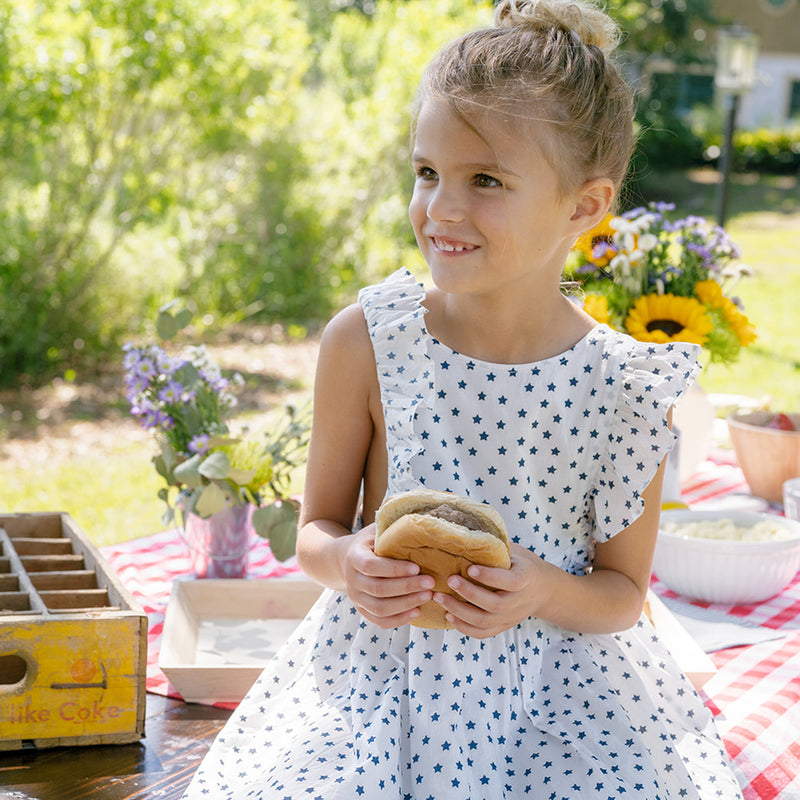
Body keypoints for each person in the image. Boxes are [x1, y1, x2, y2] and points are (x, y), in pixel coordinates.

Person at [182, 1, 744, 797]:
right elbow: (315, 533)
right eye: (426, 173)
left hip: (559, 698)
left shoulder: (627, 387)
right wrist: (350, 562)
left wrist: (541, 588)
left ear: (585, 206)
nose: (440, 209)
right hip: (381, 684)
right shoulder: (368, 341)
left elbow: (622, 596)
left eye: (485, 180)